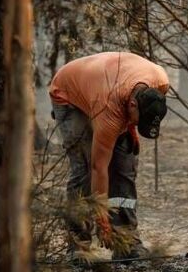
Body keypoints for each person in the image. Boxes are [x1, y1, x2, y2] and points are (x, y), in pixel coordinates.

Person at [49, 51, 169, 260]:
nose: (138, 125)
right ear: (132, 105)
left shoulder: (160, 81)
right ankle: (79, 245)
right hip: (69, 94)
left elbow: (133, 116)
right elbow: (99, 168)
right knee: (85, 169)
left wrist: (131, 127)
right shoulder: (108, 108)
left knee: (124, 167)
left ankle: (126, 241)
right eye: (138, 121)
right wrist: (102, 219)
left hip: (105, 86)